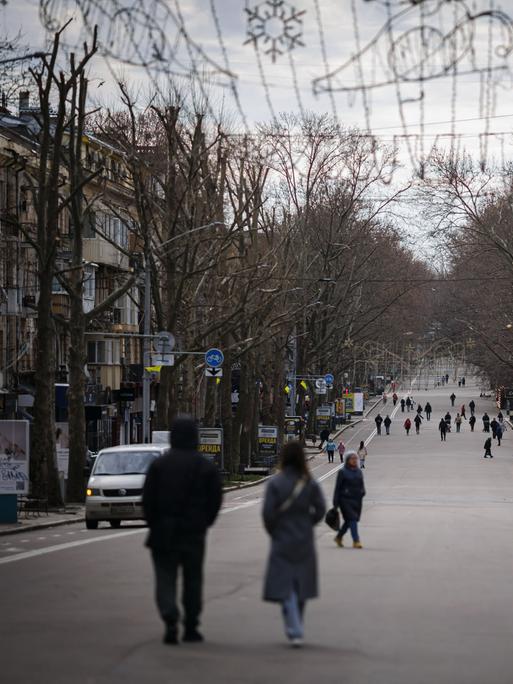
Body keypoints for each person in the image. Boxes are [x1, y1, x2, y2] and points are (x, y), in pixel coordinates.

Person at [142, 416, 223, 645]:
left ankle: (170, 618)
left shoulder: (159, 465)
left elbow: (148, 499)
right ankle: (191, 626)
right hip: (193, 532)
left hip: (163, 531)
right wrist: (205, 522)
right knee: (193, 580)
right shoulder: (206, 467)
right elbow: (215, 499)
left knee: (165, 579)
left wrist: (154, 522)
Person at [263, 441, 326, 648]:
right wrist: (308, 523)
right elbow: (320, 509)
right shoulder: (309, 482)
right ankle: (296, 621)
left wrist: (275, 531)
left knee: (284, 582)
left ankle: (293, 626)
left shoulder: (276, 482)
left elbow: (268, 513)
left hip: (282, 536)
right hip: (304, 537)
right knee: (301, 582)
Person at [333, 451, 365, 549]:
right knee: (352, 518)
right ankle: (356, 541)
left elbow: (361, 486)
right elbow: (337, 488)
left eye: (356, 459)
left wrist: (362, 493)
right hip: (344, 500)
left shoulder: (359, 471)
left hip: (357, 500)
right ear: (347, 460)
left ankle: (339, 537)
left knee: (349, 521)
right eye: (352, 459)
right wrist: (335, 503)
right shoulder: (342, 472)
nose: (354, 460)